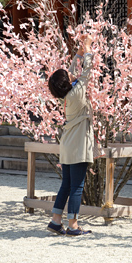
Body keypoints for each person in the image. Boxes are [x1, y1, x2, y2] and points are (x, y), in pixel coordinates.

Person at [46, 34, 95, 236]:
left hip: (68, 144)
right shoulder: (76, 92)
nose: (71, 75)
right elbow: (86, 74)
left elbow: (75, 74)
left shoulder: (67, 95)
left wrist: (78, 54)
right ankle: (73, 225)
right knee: (77, 186)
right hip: (78, 145)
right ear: (67, 82)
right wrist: (89, 50)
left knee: (67, 183)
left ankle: (56, 220)